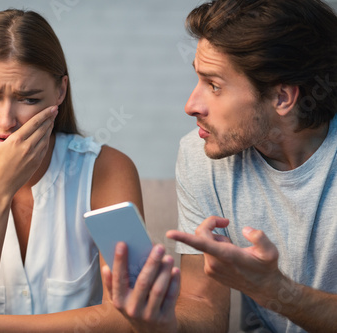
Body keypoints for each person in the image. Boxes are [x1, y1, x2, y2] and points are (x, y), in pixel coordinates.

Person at [0, 9, 152, 332]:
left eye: (28, 98)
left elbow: (135, 316)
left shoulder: (108, 170)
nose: (6, 121)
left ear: (60, 92)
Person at [104, 0, 337, 332]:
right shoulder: (199, 155)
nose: (191, 105)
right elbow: (203, 308)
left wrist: (273, 290)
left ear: (282, 97)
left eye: (214, 85)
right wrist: (162, 323)